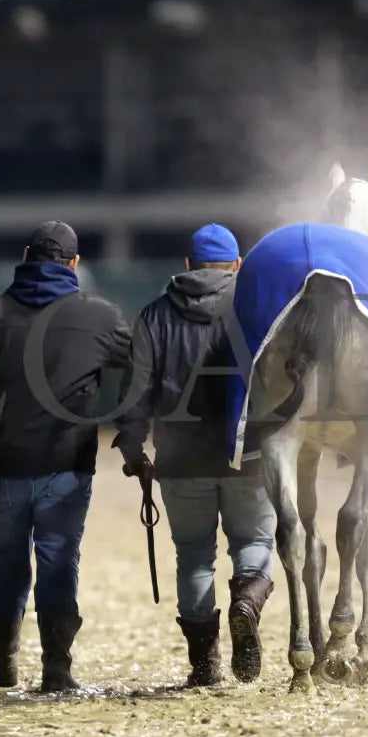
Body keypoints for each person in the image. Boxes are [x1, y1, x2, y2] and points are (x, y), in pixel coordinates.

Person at [0, 221, 131, 692]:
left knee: (7, 560)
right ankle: (57, 667)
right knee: (59, 561)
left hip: (2, 464)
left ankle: (4, 647)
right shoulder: (99, 316)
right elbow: (143, 363)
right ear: (74, 265)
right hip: (68, 465)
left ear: (25, 256)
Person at [112, 223, 276, 687]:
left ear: (187, 266)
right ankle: (247, 602)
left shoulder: (154, 316)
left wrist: (132, 448)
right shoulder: (258, 310)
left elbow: (135, 391)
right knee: (255, 542)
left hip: (181, 459)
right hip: (248, 453)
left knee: (194, 556)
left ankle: (205, 665)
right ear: (237, 265)